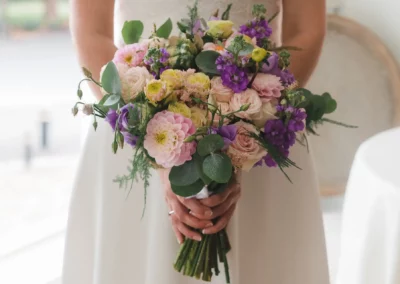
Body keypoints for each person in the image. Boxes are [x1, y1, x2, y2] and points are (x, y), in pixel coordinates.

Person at [63, 0, 329, 283]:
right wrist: (157, 147)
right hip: (135, 123)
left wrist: (244, 137)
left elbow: (305, 30)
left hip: (262, 125)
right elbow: (91, 32)